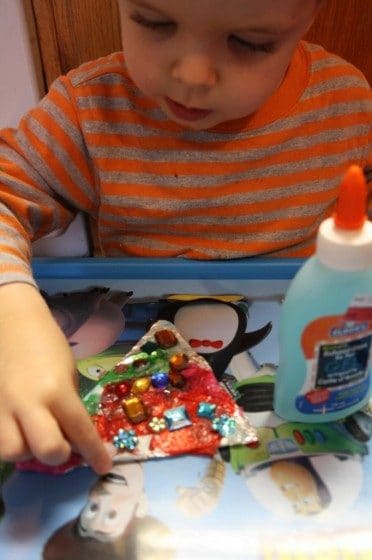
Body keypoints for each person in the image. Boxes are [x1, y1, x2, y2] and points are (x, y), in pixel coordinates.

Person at [0, 0, 370, 474]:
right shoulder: (90, 111)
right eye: (154, 22)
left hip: (301, 380)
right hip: (136, 371)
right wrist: (13, 319)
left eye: (250, 43)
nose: (193, 75)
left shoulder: (346, 104)